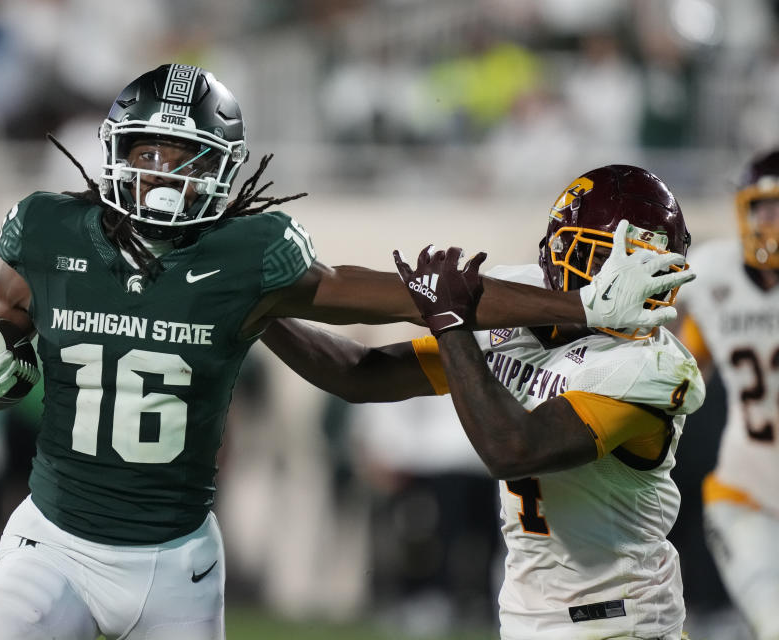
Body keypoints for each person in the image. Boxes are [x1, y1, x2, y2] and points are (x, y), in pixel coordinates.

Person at [0, 63, 693, 640]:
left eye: (181, 157)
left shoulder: (653, 366)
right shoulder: (48, 228)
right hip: (56, 536)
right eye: (148, 151)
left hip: (177, 559)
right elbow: (3, 314)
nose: (159, 175)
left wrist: (570, 307)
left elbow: (459, 367)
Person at [262, 165, 706, 640]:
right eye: (619, 259)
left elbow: (513, 448)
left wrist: (451, 324)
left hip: (623, 621)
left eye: (651, 262)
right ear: (564, 251)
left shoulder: (653, 365)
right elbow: (362, 375)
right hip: (526, 615)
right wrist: (256, 313)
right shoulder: (520, 302)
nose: (638, 279)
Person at [676, 150, 779, 640]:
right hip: (746, 491)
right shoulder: (713, 275)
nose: (773, 221)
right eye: (767, 207)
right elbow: (682, 372)